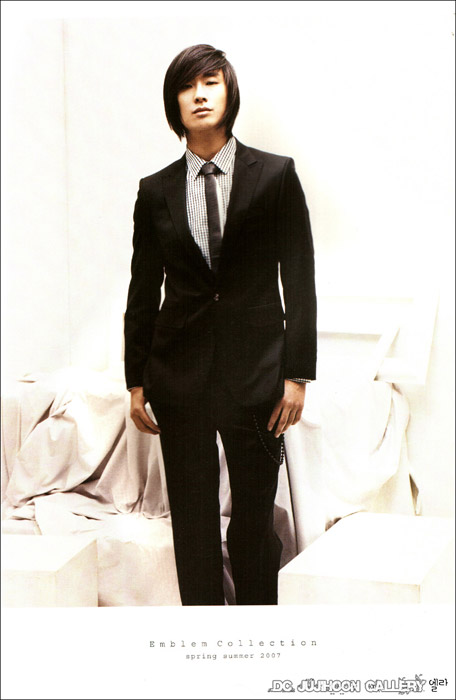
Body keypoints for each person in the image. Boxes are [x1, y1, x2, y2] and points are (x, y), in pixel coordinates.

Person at [124, 44, 317, 606]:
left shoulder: (275, 175)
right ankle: (202, 636)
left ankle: (256, 634)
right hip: (178, 377)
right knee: (192, 524)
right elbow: (143, 290)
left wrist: (297, 375)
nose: (200, 94)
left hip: (258, 378)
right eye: (187, 86)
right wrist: (136, 381)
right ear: (174, 104)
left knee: (254, 522)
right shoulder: (155, 190)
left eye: (210, 82)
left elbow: (299, 278)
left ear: (229, 93)